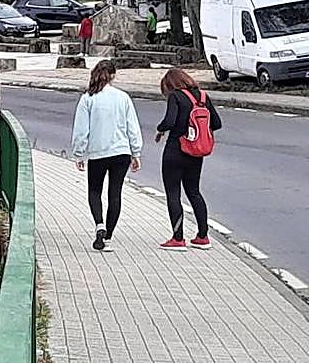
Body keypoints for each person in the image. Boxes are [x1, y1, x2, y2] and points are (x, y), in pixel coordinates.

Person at [71, 60, 143, 252]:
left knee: (94, 191)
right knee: (115, 193)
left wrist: (79, 154)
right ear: (113, 76)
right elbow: (132, 128)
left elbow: (81, 130)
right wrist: (136, 152)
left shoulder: (88, 98)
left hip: (98, 152)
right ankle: (109, 236)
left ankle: (99, 224)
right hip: (121, 152)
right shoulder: (123, 98)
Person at [155, 69, 222, 251]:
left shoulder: (176, 96)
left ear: (170, 85)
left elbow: (169, 121)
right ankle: (202, 236)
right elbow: (216, 123)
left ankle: (178, 238)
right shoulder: (202, 96)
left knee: (173, 193)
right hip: (196, 152)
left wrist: (160, 129)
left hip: (175, 150)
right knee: (194, 192)